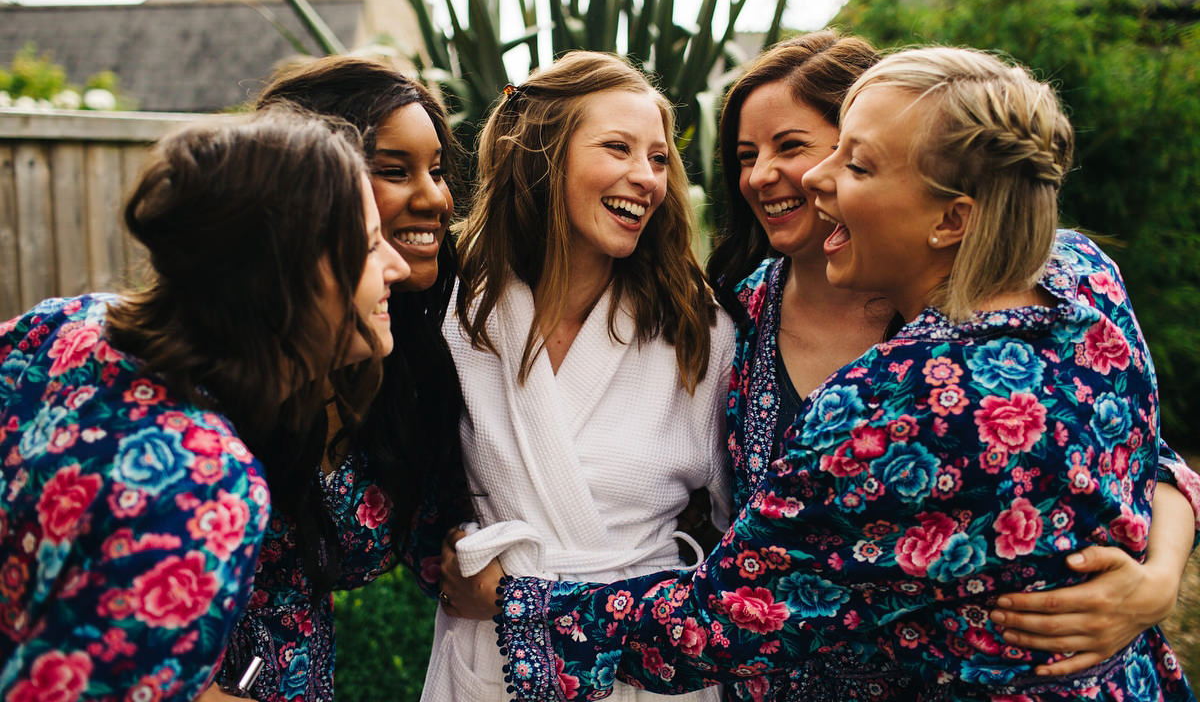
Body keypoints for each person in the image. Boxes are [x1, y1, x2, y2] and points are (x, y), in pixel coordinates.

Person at [446, 46, 1198, 700]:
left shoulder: (889, 404)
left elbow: (729, 615)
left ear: (950, 216)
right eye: (743, 155)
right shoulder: (1080, 271)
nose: (806, 178)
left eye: (851, 156)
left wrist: (519, 605)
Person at [706, 32, 1200, 698]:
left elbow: (1141, 457)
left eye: (795, 147)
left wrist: (1157, 581)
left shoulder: (1021, 293)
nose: (762, 173)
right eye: (746, 154)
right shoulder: (734, 313)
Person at [0, 108, 406, 701]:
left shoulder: (64, 323)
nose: (395, 264)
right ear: (284, 271)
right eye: (370, 246)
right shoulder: (208, 484)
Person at [423, 51, 735, 701]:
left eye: (657, 158)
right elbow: (412, 480)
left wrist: (520, 599)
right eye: (617, 147)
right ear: (542, 155)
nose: (645, 177)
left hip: (643, 670)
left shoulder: (697, 331)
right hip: (491, 666)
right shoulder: (460, 313)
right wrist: (446, 545)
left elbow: (747, 539)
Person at [206, 56, 472, 701]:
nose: (436, 197)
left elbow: (447, 556)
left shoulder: (408, 365)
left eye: (437, 171)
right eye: (394, 171)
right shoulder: (188, 372)